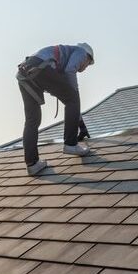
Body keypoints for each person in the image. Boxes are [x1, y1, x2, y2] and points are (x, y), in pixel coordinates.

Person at [16, 43, 95, 175]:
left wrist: (81, 125)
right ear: (87, 57)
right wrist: (74, 93)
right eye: (88, 64)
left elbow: (70, 104)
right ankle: (71, 144)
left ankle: (32, 164)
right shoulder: (81, 52)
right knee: (73, 98)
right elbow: (70, 71)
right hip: (40, 67)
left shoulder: (62, 59)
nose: (86, 67)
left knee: (32, 120)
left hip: (24, 72)